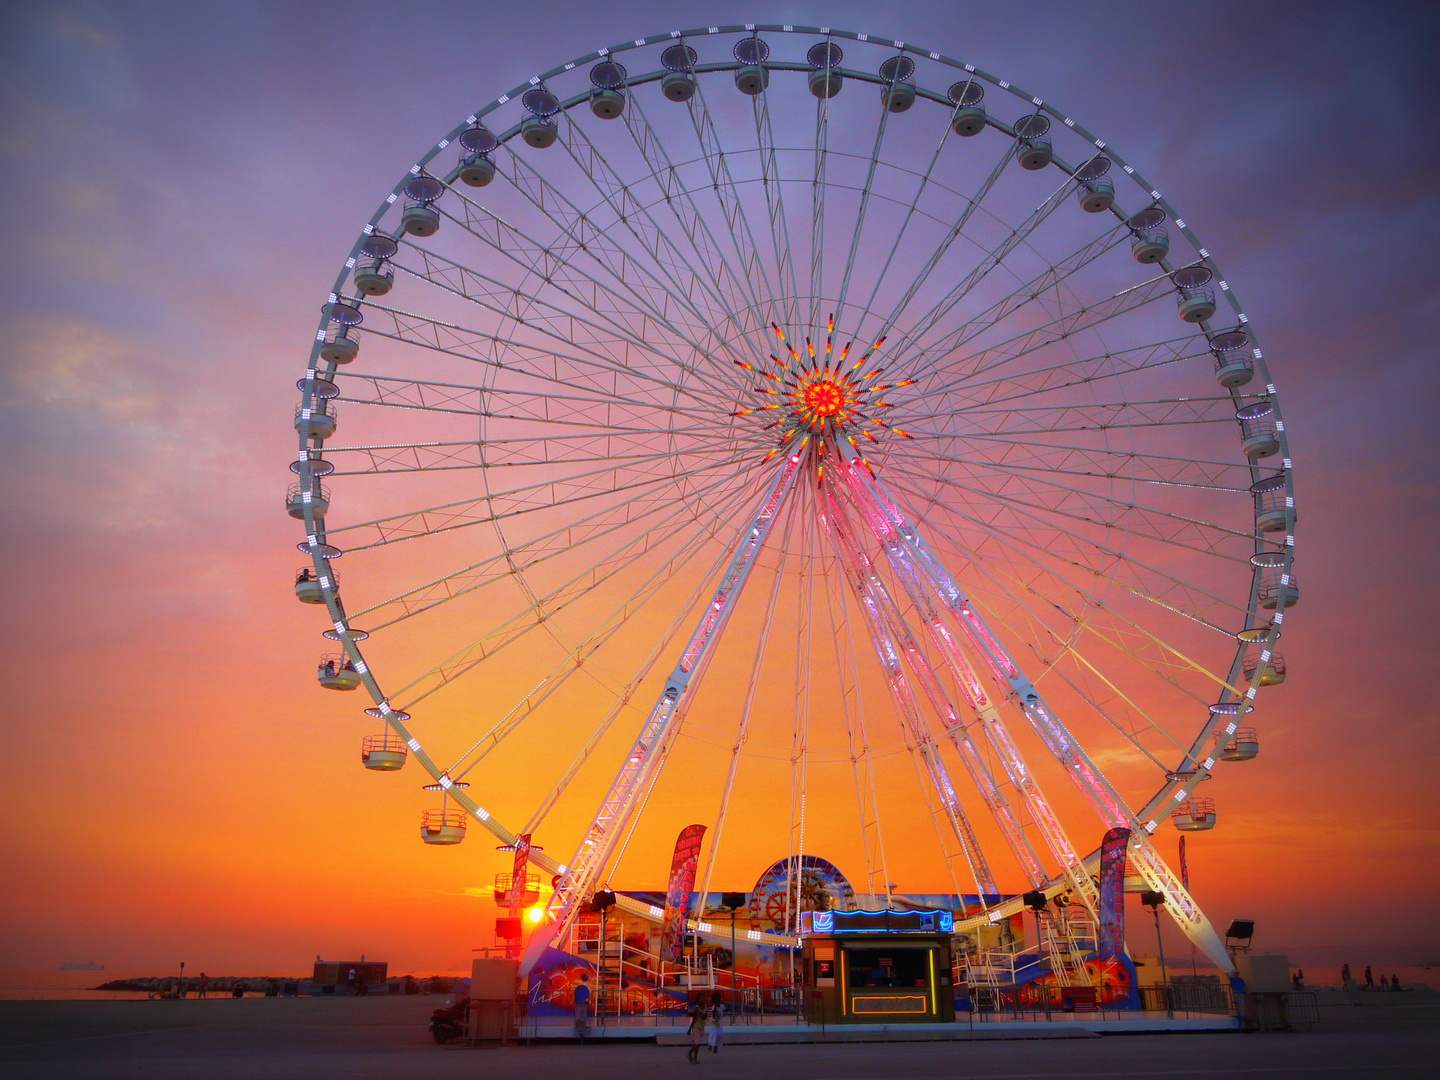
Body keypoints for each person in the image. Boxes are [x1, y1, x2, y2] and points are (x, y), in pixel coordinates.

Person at [686, 995, 707, 1064]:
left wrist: (702, 1015)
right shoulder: (696, 1008)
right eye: (702, 998)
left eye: (704, 998)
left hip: (702, 1026)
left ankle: (689, 1052)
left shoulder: (706, 1006)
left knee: (697, 1043)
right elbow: (694, 1019)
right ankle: (695, 1058)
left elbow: (704, 1018)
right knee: (697, 1043)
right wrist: (689, 1029)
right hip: (696, 1026)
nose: (704, 999)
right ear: (699, 1000)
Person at [573, 973, 590, 1043]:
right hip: (582, 1003)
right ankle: (581, 1030)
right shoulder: (585, 987)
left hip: (581, 1003)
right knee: (581, 1017)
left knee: (581, 1017)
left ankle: (581, 1029)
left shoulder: (581, 986)